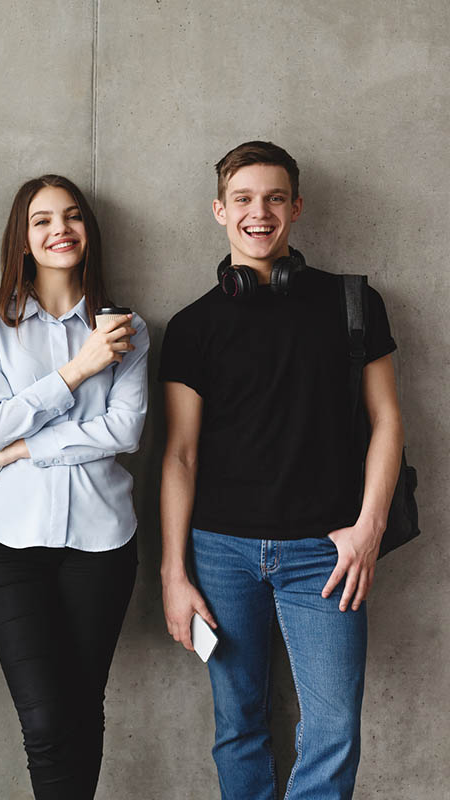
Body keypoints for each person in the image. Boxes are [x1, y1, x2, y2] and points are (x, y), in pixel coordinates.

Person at [158, 141, 404, 799]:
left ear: (296, 207)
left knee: (332, 727)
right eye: (242, 199)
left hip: (324, 556)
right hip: (219, 556)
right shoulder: (192, 327)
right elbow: (180, 456)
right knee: (238, 725)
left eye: (273, 198)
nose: (257, 213)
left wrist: (368, 528)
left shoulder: (353, 303)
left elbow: (387, 423)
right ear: (219, 210)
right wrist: (173, 572)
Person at [0, 174, 147, 799]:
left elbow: (125, 431)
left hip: (103, 543)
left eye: (72, 217)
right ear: (24, 238)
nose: (59, 229)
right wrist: (79, 369)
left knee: (83, 706)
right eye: (42, 220)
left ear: (89, 232)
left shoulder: (129, 328)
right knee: (43, 718)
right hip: (12, 543)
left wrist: (19, 450)